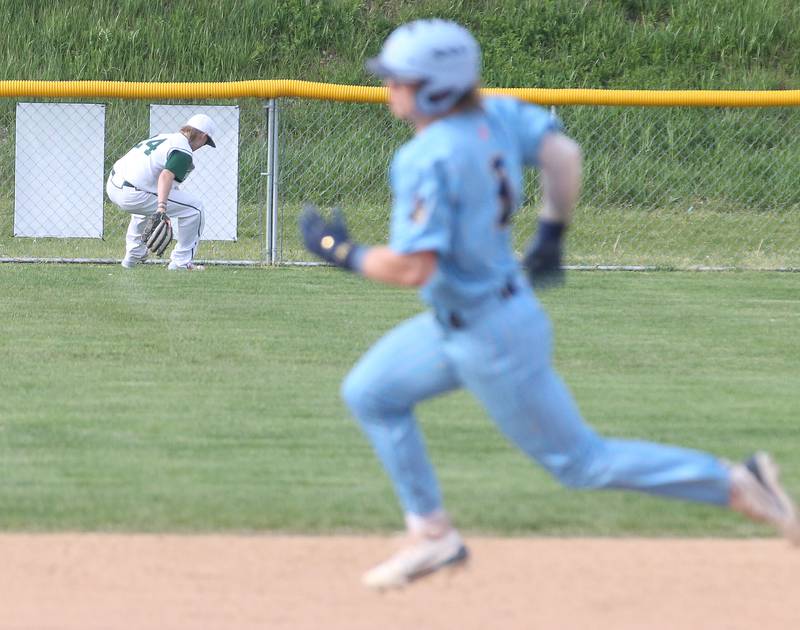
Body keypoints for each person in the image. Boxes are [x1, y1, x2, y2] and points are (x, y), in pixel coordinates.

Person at [300, 19, 799, 590]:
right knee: (371, 392)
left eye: (401, 79)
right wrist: (552, 231)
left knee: (581, 463)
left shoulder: (427, 157)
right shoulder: (499, 113)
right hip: (465, 320)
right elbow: (564, 155)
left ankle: (736, 483)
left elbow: (415, 268)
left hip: (492, 337)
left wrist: (340, 252)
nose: (390, 88)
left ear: (435, 88)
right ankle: (433, 535)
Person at [106, 113, 216, 271]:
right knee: (195, 208)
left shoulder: (165, 137)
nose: (203, 146)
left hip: (113, 185)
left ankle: (132, 257)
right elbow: (166, 175)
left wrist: (159, 204)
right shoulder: (183, 150)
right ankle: (181, 262)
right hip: (133, 193)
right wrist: (162, 207)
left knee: (147, 203)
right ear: (203, 136)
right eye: (206, 142)